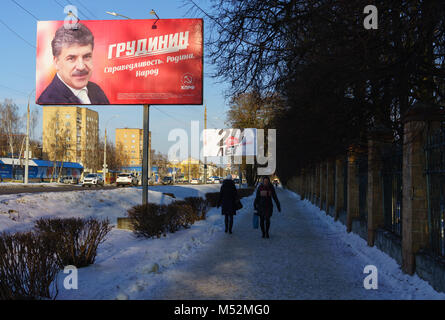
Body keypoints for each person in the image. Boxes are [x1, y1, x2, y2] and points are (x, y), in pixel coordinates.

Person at [37, 23, 109, 105]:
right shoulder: (50, 100)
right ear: (57, 62)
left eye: (86, 57)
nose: (81, 67)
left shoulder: (96, 90)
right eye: (71, 58)